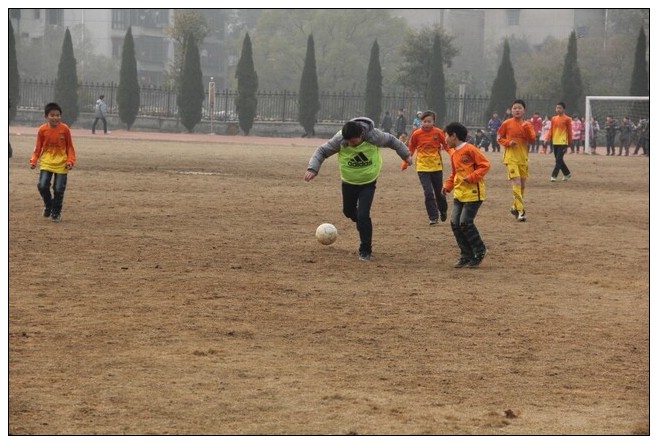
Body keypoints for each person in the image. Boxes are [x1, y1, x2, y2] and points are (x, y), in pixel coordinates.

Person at [304, 117, 413, 261]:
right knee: (348, 211)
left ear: (361, 135)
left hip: (368, 182)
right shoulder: (340, 139)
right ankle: (362, 224)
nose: (350, 144)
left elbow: (393, 141)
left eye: (353, 142)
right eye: (347, 141)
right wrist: (313, 168)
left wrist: (406, 155)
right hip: (348, 181)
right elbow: (322, 151)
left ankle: (365, 250)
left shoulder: (374, 136)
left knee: (363, 215)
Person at [441, 122, 491, 268]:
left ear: (454, 136)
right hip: (459, 193)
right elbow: (455, 173)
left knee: (465, 223)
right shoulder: (454, 153)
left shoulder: (470, 149)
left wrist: (472, 177)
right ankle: (466, 254)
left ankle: (480, 250)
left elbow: (485, 165)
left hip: (474, 194)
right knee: (455, 224)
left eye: (446, 136)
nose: (445, 139)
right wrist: (448, 186)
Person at [29, 102, 77, 222]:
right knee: (42, 185)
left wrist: (71, 160)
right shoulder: (42, 130)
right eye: (52, 115)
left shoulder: (65, 129)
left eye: (58, 115)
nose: (55, 118)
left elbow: (70, 147)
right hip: (46, 162)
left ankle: (56, 212)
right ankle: (48, 205)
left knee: (58, 189)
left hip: (62, 163)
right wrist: (34, 160)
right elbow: (38, 147)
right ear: (46, 117)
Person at [403, 110, 452, 225]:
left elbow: (447, 145)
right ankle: (433, 217)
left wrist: (453, 154)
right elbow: (411, 148)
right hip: (422, 167)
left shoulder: (439, 132)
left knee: (439, 192)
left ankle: (443, 210)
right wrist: (406, 160)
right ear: (421, 122)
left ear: (433, 122)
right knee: (428, 193)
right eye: (424, 121)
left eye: (429, 121)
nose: (426, 124)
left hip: (436, 167)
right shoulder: (416, 134)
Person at [497, 99, 535, 222]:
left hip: (523, 158)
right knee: (517, 183)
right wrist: (508, 143)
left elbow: (532, 139)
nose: (517, 110)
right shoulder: (506, 123)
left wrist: (527, 129)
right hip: (511, 158)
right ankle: (521, 211)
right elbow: (499, 138)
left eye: (519, 108)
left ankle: (514, 206)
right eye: (514, 108)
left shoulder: (527, 124)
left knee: (522, 185)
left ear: (524, 110)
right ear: (511, 110)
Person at [545, 101, 573, 182]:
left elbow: (569, 131)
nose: (558, 109)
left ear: (563, 109)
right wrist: (547, 138)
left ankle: (554, 175)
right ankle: (567, 174)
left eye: (560, 108)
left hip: (563, 142)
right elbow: (551, 130)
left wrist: (570, 142)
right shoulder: (554, 118)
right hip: (555, 141)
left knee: (558, 159)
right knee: (558, 159)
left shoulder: (567, 119)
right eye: (557, 108)